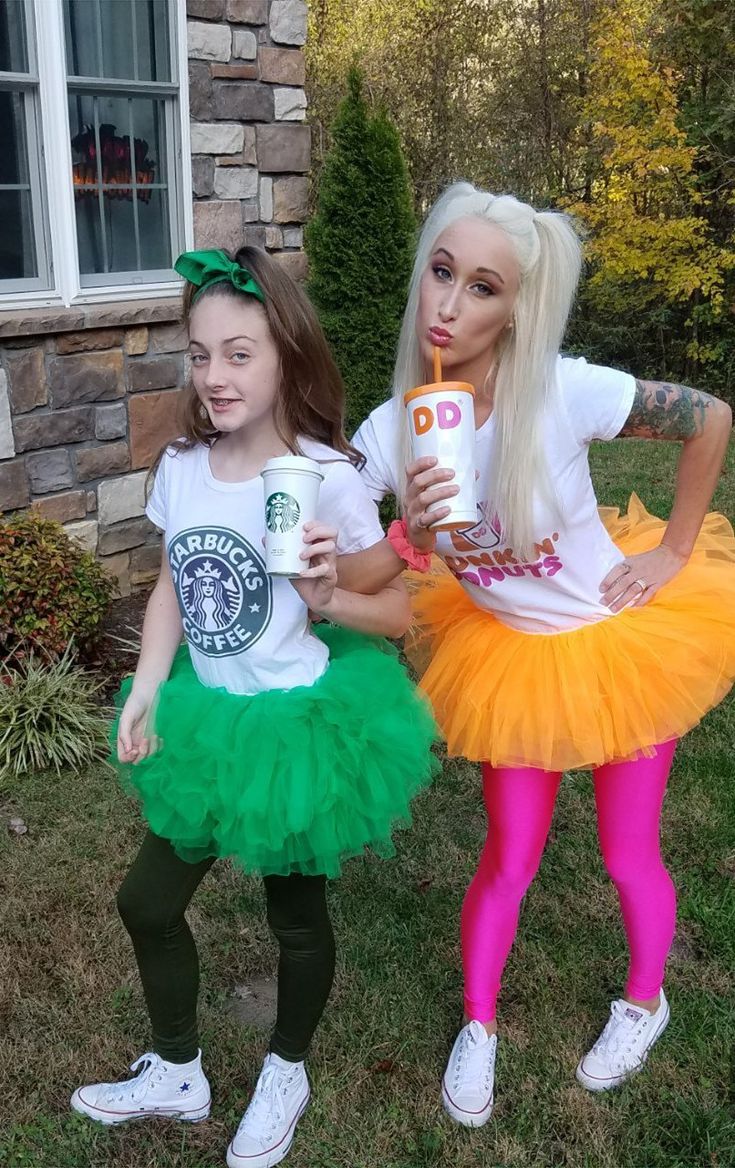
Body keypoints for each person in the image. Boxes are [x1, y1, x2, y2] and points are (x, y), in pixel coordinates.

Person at [340, 183, 735, 1125]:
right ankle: (478, 1023)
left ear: (515, 307)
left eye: (482, 287)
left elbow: (709, 416)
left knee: (626, 850)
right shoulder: (391, 430)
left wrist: (674, 550)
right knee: (507, 855)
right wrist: (407, 535)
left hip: (616, 648)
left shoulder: (562, 390)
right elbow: (355, 571)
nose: (450, 303)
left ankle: (646, 1002)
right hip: (510, 657)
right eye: (441, 272)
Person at [70, 247, 438, 1167]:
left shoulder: (329, 475)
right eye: (200, 355)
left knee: (294, 918)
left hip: (294, 727)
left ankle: (288, 1065)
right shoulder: (184, 466)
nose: (215, 376)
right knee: (145, 903)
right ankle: (179, 1069)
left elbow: (396, 613)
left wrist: (328, 600)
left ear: (285, 355)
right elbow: (168, 588)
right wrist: (151, 681)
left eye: (239, 353)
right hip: (209, 719)